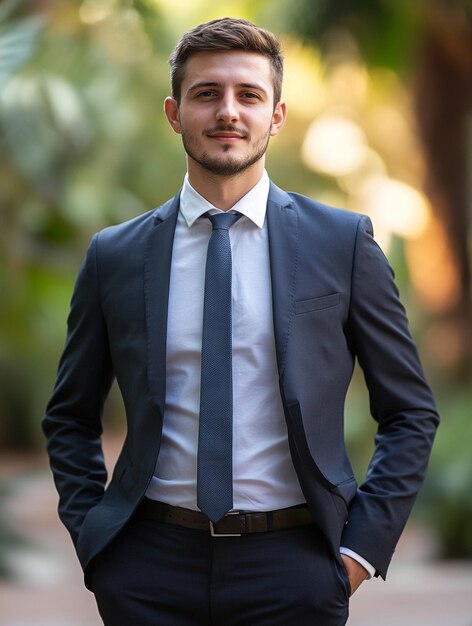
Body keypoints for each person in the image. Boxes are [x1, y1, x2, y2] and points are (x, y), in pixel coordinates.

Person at [42, 17, 439, 626]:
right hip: (147, 569)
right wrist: (97, 543)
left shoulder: (343, 244)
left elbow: (409, 411)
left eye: (248, 95)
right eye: (207, 94)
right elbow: (69, 416)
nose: (228, 111)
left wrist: (358, 553)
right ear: (175, 113)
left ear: (275, 115)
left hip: (297, 569)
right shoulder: (114, 256)